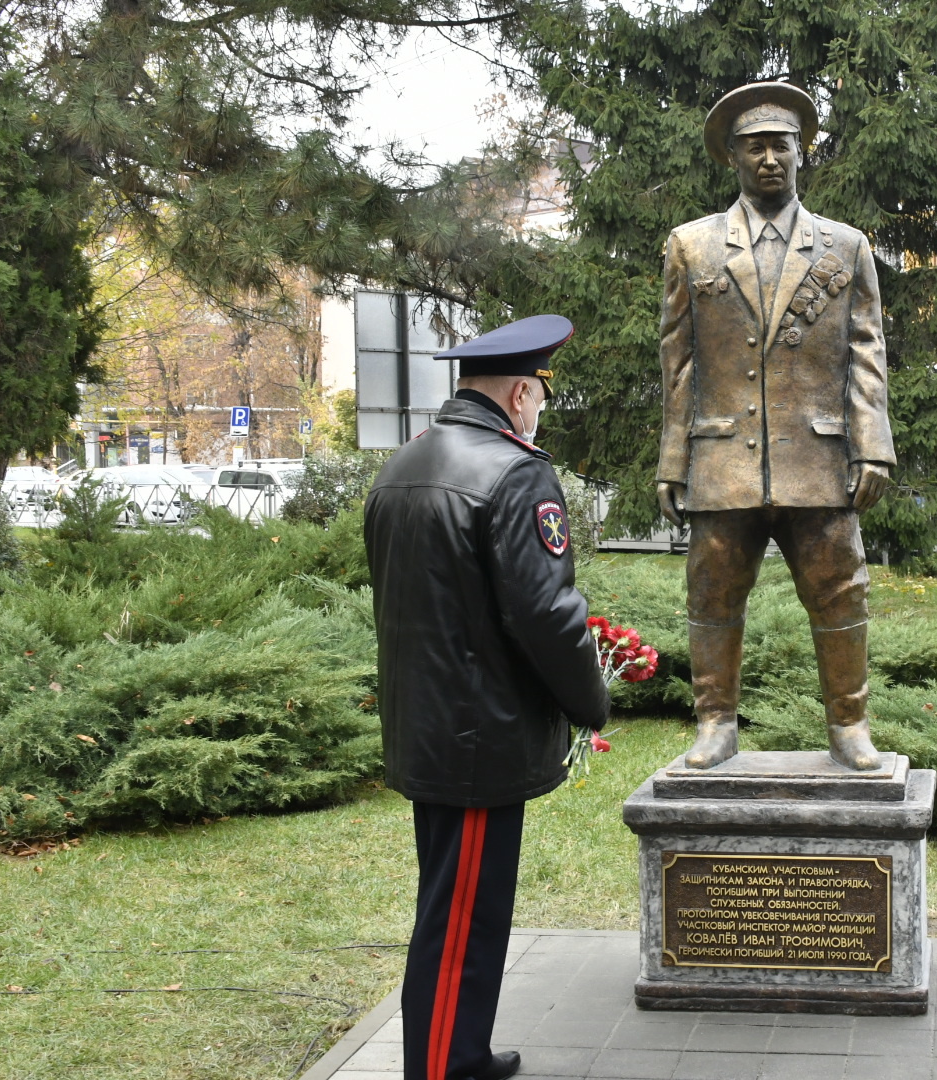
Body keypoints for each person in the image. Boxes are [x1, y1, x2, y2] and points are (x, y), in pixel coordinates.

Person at [364, 313, 610, 1080]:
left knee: (457, 910)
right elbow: (546, 612)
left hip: (428, 726)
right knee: (461, 921)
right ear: (519, 393)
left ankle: (461, 1052)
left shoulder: (404, 464)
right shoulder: (514, 472)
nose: (538, 410)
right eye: (538, 396)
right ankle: (440, 1070)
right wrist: (590, 700)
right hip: (478, 737)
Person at [657, 80, 897, 771]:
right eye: (754, 147)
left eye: (781, 146)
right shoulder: (692, 246)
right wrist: (674, 459)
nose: (769, 159)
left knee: (841, 589)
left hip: (818, 457)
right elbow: (677, 360)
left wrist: (871, 446)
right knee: (711, 589)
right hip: (723, 454)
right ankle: (714, 722)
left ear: (802, 154)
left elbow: (866, 351)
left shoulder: (845, 248)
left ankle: (850, 725)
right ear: (731, 157)